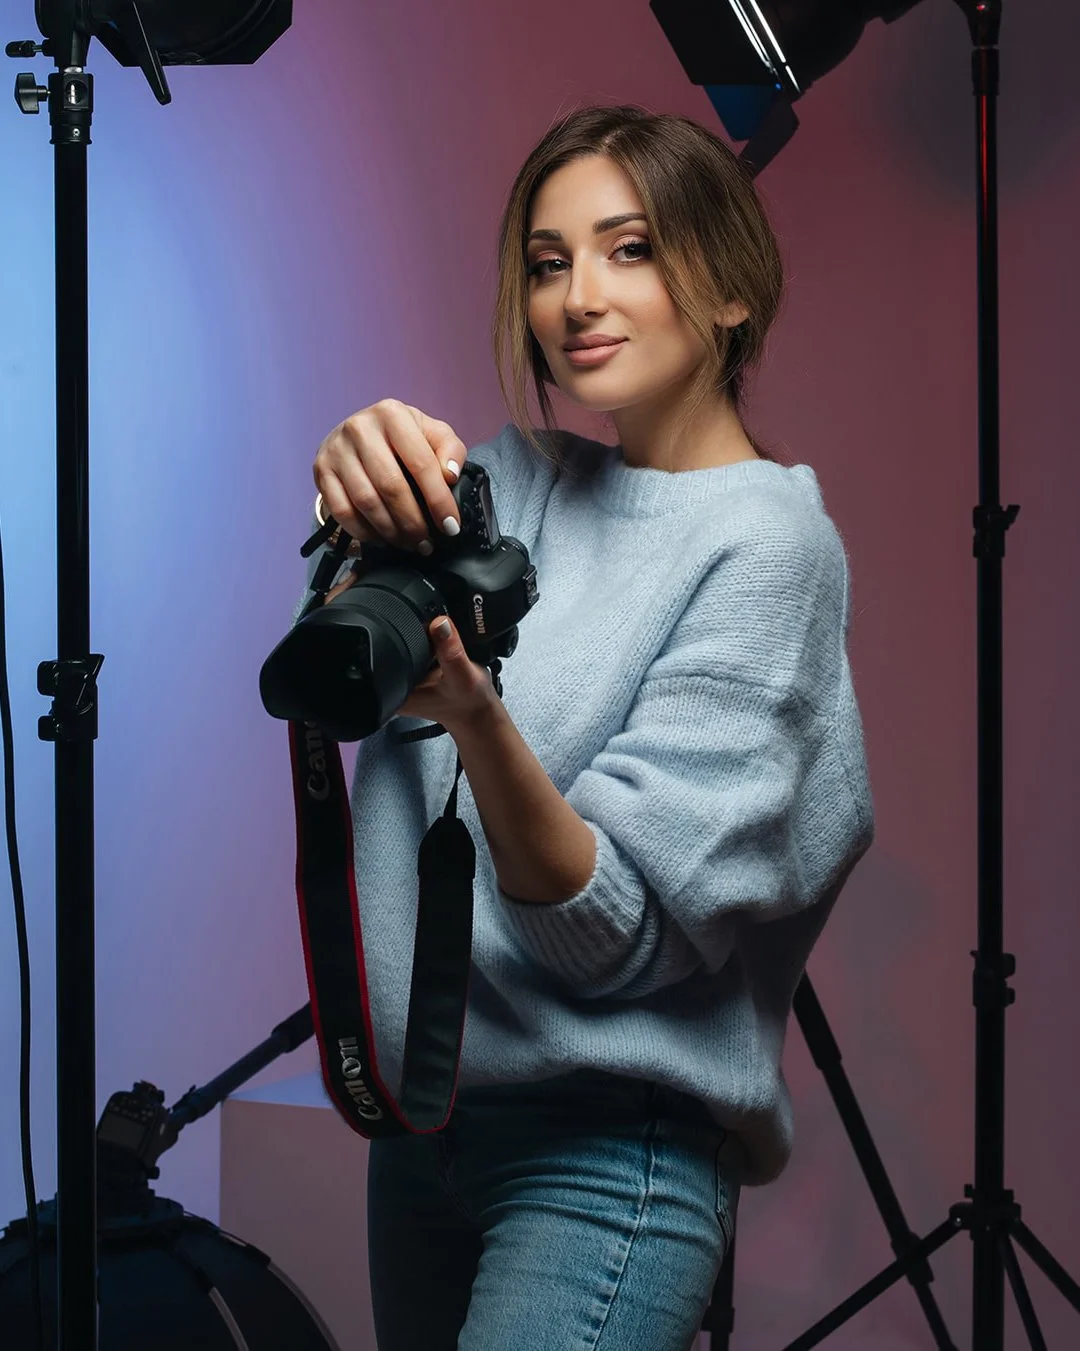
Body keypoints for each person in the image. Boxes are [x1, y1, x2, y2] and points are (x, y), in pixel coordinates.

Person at [304, 104, 874, 1351]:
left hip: (607, 1160)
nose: (577, 297)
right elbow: (350, 673)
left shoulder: (767, 546)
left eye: (629, 249)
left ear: (730, 292)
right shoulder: (518, 485)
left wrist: (475, 713)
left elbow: (606, 937)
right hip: (424, 1135)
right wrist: (356, 476)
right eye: (550, 262)